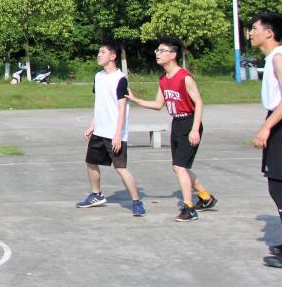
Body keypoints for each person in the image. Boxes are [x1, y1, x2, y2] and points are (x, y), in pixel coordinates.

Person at [128, 37, 216, 221]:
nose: (158, 54)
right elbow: (158, 104)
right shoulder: (163, 79)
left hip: (189, 122)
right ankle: (205, 197)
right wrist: (135, 100)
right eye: (157, 51)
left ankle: (189, 208)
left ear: (173, 55)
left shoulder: (184, 77)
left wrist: (194, 129)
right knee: (178, 167)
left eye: (162, 51)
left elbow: (199, 103)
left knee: (180, 167)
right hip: (177, 123)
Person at [247, 12, 282, 268]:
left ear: (269, 32)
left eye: (254, 28)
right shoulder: (275, 57)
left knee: (278, 187)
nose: (250, 33)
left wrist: (266, 127)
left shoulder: (279, 58)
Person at [77, 41, 145, 216]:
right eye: (99, 52)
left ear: (113, 56)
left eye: (103, 52)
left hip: (115, 133)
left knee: (121, 168)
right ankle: (96, 194)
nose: (99, 55)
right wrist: (92, 125)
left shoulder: (120, 79)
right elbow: (100, 104)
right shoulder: (98, 76)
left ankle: (137, 202)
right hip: (99, 131)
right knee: (91, 162)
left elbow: (122, 109)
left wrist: (117, 135)